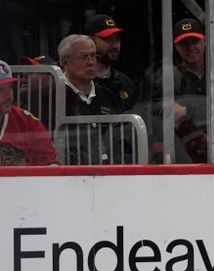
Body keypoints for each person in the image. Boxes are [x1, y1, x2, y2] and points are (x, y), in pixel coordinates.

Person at [141, 18, 208, 163]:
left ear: (205, 41)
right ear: (176, 47)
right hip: (179, 151)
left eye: (194, 42)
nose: (190, 48)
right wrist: (167, 109)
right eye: (184, 44)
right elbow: (146, 108)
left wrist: (189, 110)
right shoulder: (165, 77)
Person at [58, 34, 123, 164]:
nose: (91, 62)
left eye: (93, 56)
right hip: (67, 173)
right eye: (84, 57)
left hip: (108, 171)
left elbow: (118, 137)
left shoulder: (107, 95)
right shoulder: (53, 96)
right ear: (65, 63)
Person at [0, 60, 58, 166]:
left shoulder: (27, 122)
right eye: (0, 90)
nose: (8, 96)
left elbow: (51, 165)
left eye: (10, 88)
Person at [85, 13, 138, 111]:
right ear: (90, 41)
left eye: (117, 39)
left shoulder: (126, 83)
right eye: (107, 39)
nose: (114, 45)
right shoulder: (81, 81)